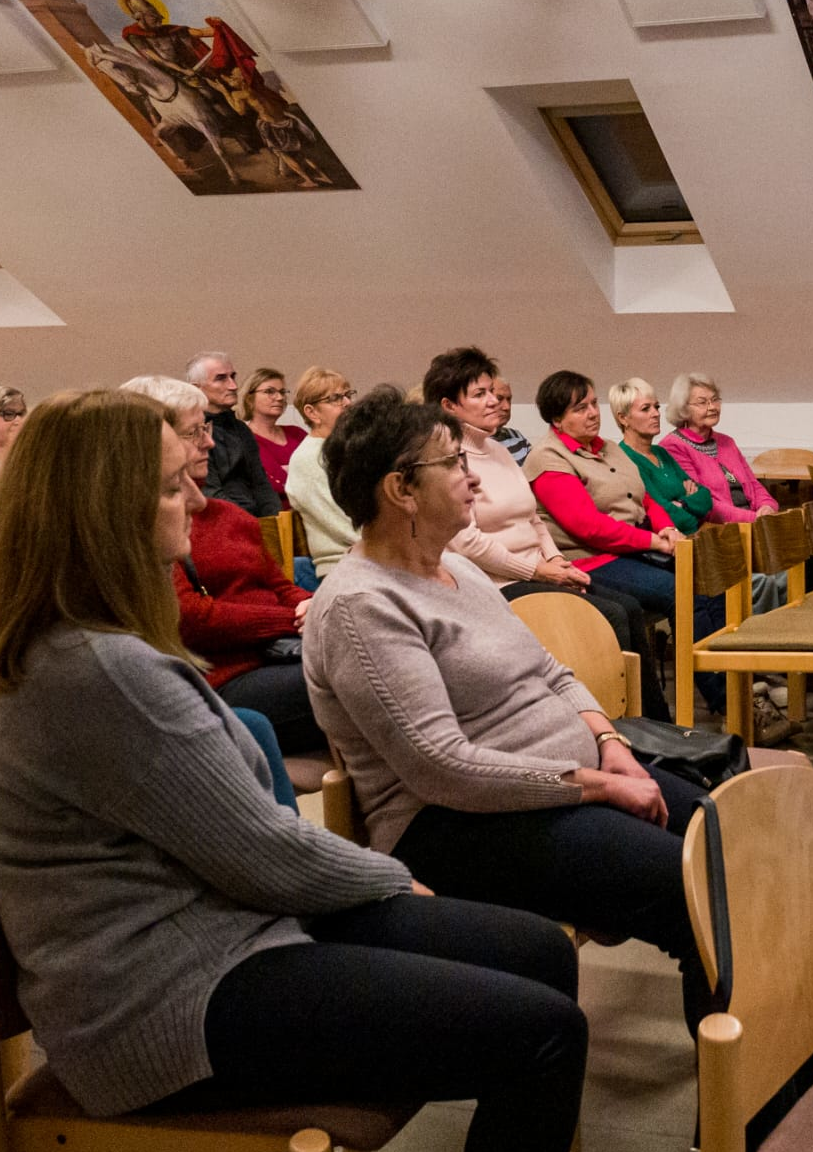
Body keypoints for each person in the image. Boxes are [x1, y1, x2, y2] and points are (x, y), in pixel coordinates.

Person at [0, 388, 585, 1152]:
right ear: (99, 511)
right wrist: (390, 878)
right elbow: (264, 849)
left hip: (225, 927)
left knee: (536, 949)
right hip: (162, 1002)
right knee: (541, 1032)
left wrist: (375, 882)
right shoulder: (105, 668)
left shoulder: (102, 644)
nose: (194, 497)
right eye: (165, 485)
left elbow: (250, 847)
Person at [305, 387, 717, 1042]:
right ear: (402, 490)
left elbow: (552, 673)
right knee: (687, 879)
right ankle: (742, 1109)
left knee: (725, 836)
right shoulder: (361, 607)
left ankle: (776, 1061)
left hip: (557, 785)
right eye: (451, 463)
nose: (471, 476)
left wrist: (609, 740)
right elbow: (445, 769)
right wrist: (605, 786)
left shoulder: (456, 569)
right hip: (451, 825)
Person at [426, 348, 667, 719]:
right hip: (495, 583)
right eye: (480, 394)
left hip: (539, 568)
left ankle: (656, 726)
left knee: (629, 608)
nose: (494, 401)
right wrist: (537, 571)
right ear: (449, 405)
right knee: (610, 615)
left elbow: (533, 519)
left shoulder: (497, 450)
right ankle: (618, 725)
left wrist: (555, 560)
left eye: (493, 391)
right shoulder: (446, 458)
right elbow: (466, 542)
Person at [529, 372, 748, 735]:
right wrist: (653, 542)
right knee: (683, 592)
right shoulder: (549, 459)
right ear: (557, 419)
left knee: (711, 579)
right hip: (590, 558)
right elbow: (588, 527)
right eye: (579, 408)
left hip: (631, 547)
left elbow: (645, 498)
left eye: (592, 404)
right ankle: (722, 702)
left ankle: (738, 687)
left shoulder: (608, 448)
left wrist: (666, 527)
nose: (591, 413)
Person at [123, 376, 323, 757]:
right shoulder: (154, 524)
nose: (210, 442)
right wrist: (290, 619)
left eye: (208, 427)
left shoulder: (230, 515)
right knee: (358, 678)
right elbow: (191, 617)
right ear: (154, 441)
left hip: (281, 651)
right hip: (224, 676)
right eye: (194, 432)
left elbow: (279, 585)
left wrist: (310, 606)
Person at [659, 373, 782, 526]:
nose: (712, 407)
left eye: (715, 399)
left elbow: (753, 484)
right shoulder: (673, 446)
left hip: (753, 523)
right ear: (683, 409)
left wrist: (767, 507)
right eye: (702, 402)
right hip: (717, 530)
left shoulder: (727, 442)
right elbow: (701, 503)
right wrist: (753, 518)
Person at [612, 377, 712, 536]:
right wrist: (690, 507)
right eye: (646, 409)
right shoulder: (625, 458)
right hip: (668, 543)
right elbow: (660, 511)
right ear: (623, 418)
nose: (656, 414)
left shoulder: (661, 452)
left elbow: (706, 497)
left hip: (693, 537)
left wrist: (681, 504)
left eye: (656, 407)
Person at [284, 367, 359, 580]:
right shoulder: (308, 459)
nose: (347, 403)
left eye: (348, 395)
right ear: (312, 412)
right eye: (336, 398)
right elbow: (340, 524)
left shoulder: (350, 448)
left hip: (375, 558)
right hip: (343, 566)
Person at [186, 352, 280, 516]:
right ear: (196, 388)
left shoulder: (240, 429)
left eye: (233, 377)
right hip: (222, 523)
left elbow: (261, 484)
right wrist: (251, 525)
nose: (233, 386)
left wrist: (276, 523)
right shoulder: (192, 433)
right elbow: (211, 495)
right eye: (221, 378)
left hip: (254, 522)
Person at [239, 367, 306, 508]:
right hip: (277, 518)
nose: (280, 397)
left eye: (282, 392)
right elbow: (276, 485)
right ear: (249, 399)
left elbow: (322, 474)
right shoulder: (245, 440)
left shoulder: (297, 433)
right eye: (270, 392)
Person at [490, 374, 532, 467]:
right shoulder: (472, 443)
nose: (507, 407)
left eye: (509, 399)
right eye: (499, 399)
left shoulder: (517, 436)